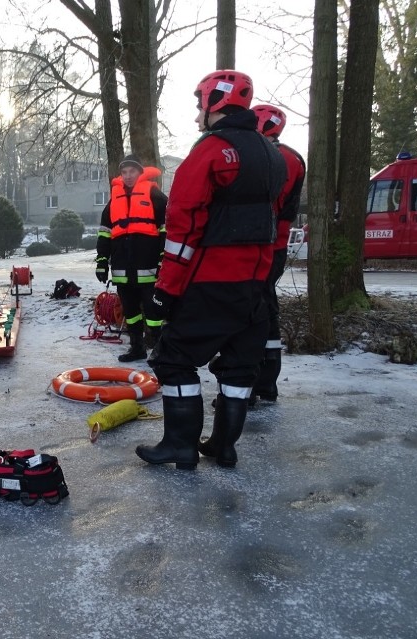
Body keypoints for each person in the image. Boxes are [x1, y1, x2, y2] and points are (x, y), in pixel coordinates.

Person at [136, 69, 286, 470]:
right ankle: (223, 445)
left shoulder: (210, 151)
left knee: (173, 358)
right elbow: (277, 220)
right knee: (239, 365)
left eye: (200, 104)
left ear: (214, 102)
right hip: (256, 284)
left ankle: (180, 446)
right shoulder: (273, 154)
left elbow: (183, 229)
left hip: (212, 280)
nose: (197, 114)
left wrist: (165, 291)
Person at [250, 104, 307, 404]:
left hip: (263, 246)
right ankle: (266, 382)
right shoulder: (291, 156)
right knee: (265, 309)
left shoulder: (277, 156)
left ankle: (250, 382)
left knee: (252, 312)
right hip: (274, 245)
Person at [95, 155, 168, 362]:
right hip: (122, 270)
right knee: (130, 311)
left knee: (154, 313)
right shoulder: (113, 200)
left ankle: (160, 349)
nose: (127, 176)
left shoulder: (155, 195)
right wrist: (102, 262)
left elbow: (168, 230)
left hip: (149, 268)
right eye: (124, 172)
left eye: (132, 172)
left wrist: (164, 259)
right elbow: (104, 234)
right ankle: (137, 348)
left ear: (140, 173)